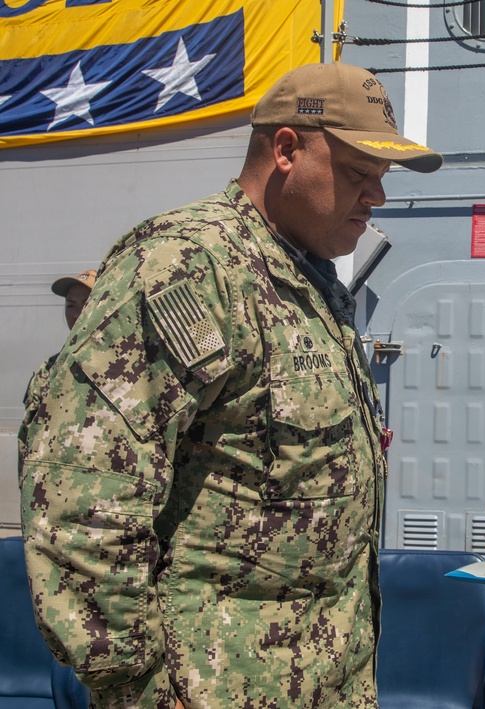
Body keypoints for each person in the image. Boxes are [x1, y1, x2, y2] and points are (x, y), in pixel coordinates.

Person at [19, 62, 441, 708]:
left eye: (381, 180)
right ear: (286, 150)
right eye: (360, 174)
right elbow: (80, 505)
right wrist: (145, 690)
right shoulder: (187, 268)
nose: (376, 198)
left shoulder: (309, 280)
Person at [21, 269, 96, 412]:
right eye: (70, 305)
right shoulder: (49, 370)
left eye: (87, 304)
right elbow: (31, 431)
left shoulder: (126, 367)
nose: (76, 314)